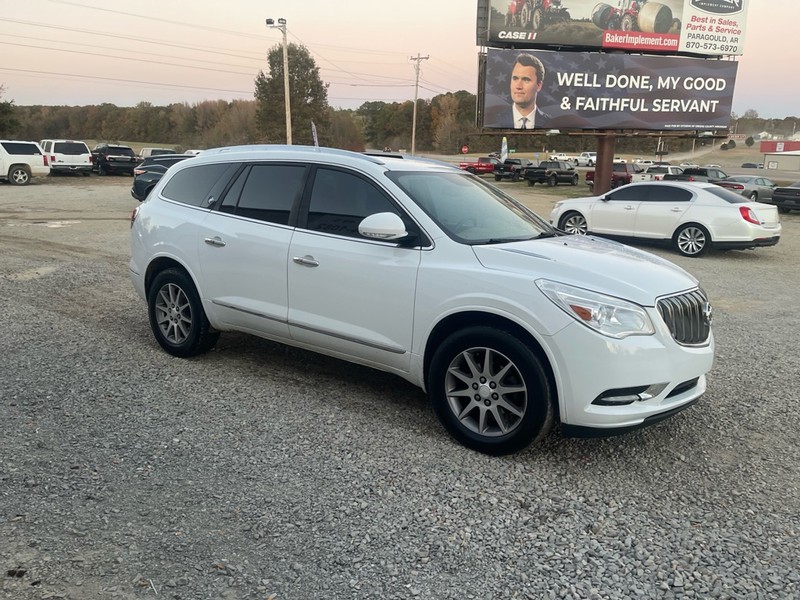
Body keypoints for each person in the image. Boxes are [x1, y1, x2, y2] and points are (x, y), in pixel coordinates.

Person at [484, 53, 547, 129]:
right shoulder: (495, 121)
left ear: (539, 85)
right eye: (515, 78)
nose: (518, 86)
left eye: (526, 80)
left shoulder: (549, 123)